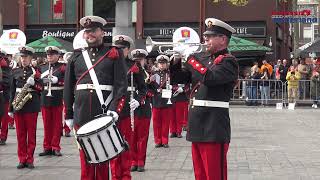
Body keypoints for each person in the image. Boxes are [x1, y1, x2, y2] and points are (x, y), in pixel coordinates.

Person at [63, 16, 128, 180]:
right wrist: (69, 114)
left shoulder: (113, 53)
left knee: (102, 158)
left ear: (102, 32)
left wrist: (115, 110)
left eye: (93, 31)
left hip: (103, 113)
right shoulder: (76, 56)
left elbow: (120, 85)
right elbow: (69, 88)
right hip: (81, 114)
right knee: (85, 161)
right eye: (87, 32)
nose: (89, 34)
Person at [184, 18, 238, 180]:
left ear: (223, 39)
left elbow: (210, 78)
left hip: (213, 126)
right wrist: (177, 61)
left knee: (214, 175)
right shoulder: (205, 59)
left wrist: (190, 59)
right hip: (197, 124)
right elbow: (181, 77)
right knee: (200, 174)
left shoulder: (228, 61)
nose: (205, 39)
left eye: (210, 36)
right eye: (205, 36)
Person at [110, 35, 147, 180]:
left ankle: (125, 174)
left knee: (126, 142)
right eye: (117, 48)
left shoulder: (134, 65)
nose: (119, 51)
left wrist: (138, 100)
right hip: (112, 108)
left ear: (128, 50)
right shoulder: (109, 63)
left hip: (127, 107)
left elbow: (143, 88)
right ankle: (114, 174)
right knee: (112, 144)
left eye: (123, 48)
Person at [9, 46, 43, 169]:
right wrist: (10, 109)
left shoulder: (36, 71)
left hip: (31, 105)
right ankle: (21, 159)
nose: (23, 59)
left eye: (26, 57)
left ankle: (30, 159)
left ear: (30, 58)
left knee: (31, 134)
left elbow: (42, 88)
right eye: (22, 57)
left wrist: (34, 84)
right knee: (20, 134)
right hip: (18, 105)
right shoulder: (15, 71)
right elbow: (12, 91)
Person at [38, 46, 65, 157]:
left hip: (57, 97)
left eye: (52, 54)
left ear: (58, 56)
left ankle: (56, 147)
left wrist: (58, 81)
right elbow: (38, 82)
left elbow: (67, 81)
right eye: (48, 54)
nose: (50, 56)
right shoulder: (42, 68)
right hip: (45, 97)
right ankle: (47, 147)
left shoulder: (63, 67)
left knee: (57, 125)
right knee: (47, 125)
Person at [129, 49, 153, 172]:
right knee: (132, 137)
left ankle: (140, 161)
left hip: (143, 109)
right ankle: (133, 161)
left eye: (140, 60)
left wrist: (141, 97)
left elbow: (153, 92)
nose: (138, 62)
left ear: (144, 60)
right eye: (136, 60)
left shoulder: (150, 73)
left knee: (142, 137)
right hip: (131, 108)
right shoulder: (129, 71)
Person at [169, 55, 192, 137]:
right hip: (172, 94)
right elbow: (170, 83)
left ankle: (178, 131)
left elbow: (189, 83)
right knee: (172, 116)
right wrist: (175, 88)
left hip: (182, 96)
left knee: (180, 116)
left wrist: (184, 89)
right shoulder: (171, 71)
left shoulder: (187, 71)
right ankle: (172, 131)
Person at [0, 49, 12, 145]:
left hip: (4, 95)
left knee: (4, 118)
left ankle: (3, 137)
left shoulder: (5, 66)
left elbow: (7, 82)